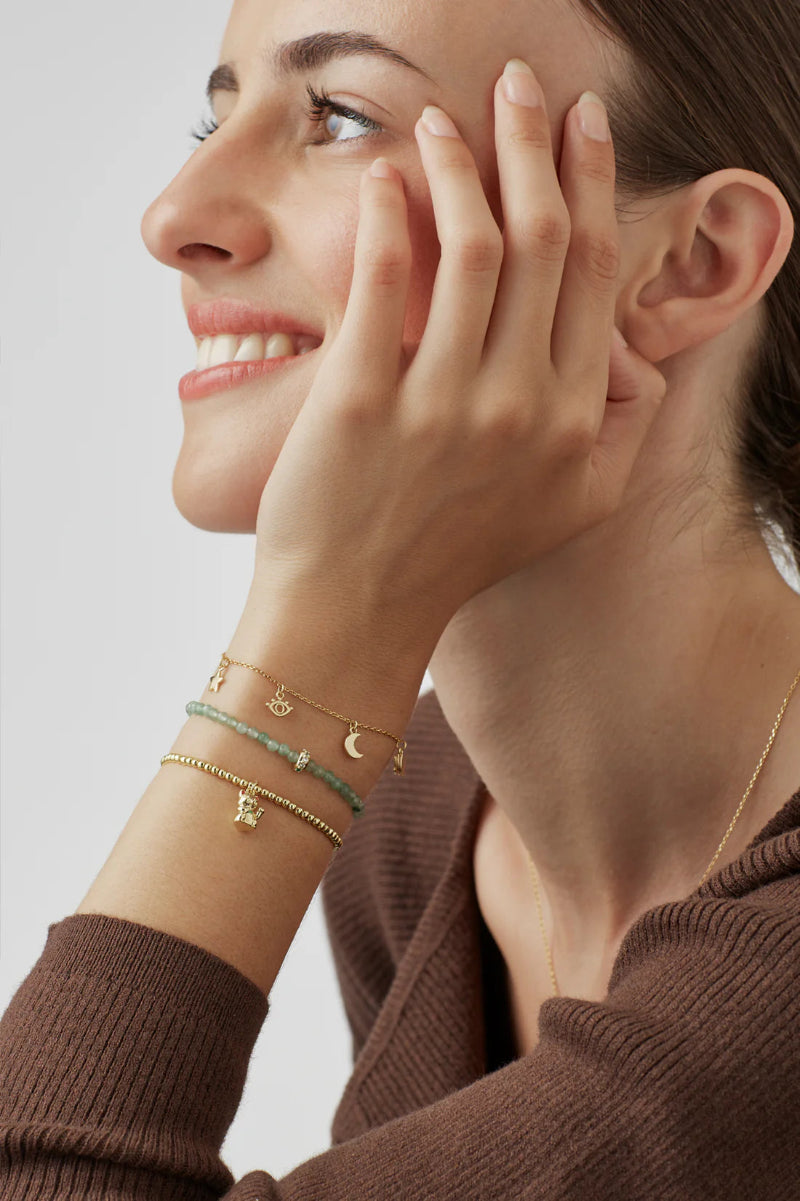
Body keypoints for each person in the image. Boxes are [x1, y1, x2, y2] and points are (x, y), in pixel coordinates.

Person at [1, 0, 799, 1195]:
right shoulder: (422, 814)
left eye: (338, 115)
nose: (173, 217)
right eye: (209, 117)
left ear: (694, 262)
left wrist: (322, 640)